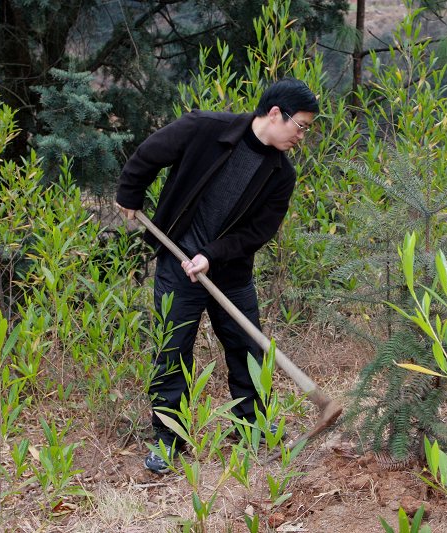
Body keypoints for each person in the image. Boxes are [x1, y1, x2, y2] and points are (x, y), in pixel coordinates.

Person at [115, 78, 319, 474]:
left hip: (230, 272)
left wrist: (210, 255)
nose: (302, 135)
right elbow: (149, 155)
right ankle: (168, 439)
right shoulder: (206, 128)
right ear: (275, 113)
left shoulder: (281, 175)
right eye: (301, 125)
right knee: (172, 351)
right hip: (177, 267)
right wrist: (129, 193)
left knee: (248, 352)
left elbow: (257, 233)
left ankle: (253, 428)